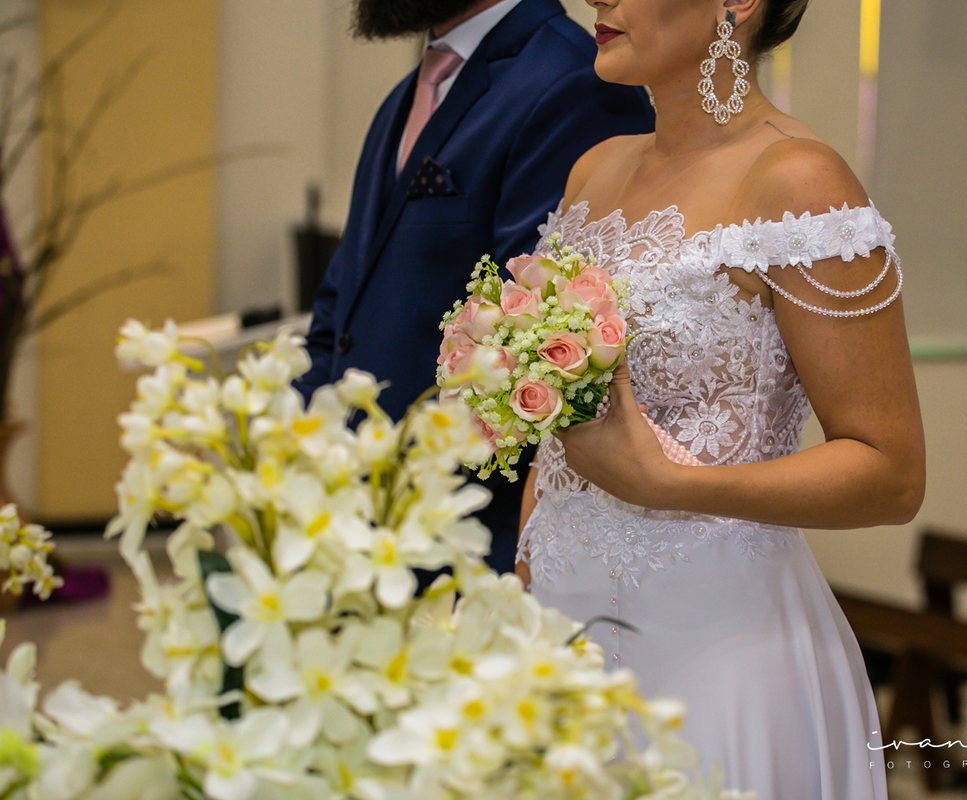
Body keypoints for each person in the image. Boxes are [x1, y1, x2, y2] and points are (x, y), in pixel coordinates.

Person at [514, 0, 926, 797]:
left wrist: (671, 483)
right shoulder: (593, 171)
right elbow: (561, 416)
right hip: (557, 632)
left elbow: (892, 474)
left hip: (714, 648)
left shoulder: (799, 181)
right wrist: (522, 576)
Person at [296, 0, 655, 582]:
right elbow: (344, 303)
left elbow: (539, 348)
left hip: (467, 544)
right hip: (362, 524)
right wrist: (292, 447)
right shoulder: (409, 95)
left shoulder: (574, 84)